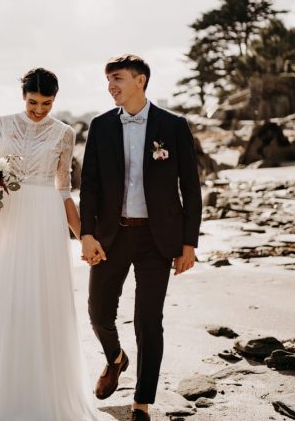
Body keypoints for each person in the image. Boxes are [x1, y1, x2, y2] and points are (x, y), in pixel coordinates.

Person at [79, 55, 202, 421]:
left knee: (149, 321)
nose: (111, 86)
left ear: (140, 80)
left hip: (157, 238)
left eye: (117, 79)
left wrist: (188, 244)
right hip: (110, 236)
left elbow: (190, 189)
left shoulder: (174, 126)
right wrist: (86, 233)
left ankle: (141, 403)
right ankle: (116, 357)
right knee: (98, 312)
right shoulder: (99, 127)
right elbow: (89, 186)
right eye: (107, 81)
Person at [0, 68, 97, 420]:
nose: (39, 109)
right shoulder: (1, 124)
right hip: (8, 217)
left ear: (55, 99)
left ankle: (41, 392)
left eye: (46, 103)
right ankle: (2, 389)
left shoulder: (64, 133)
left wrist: (84, 236)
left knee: (42, 300)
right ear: (22, 96)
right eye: (32, 102)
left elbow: (63, 190)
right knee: (6, 297)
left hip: (45, 220)